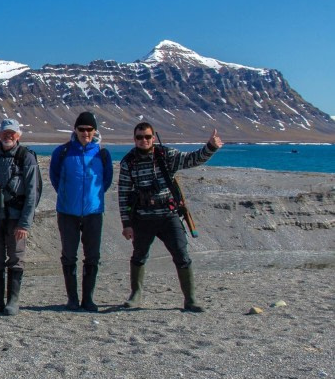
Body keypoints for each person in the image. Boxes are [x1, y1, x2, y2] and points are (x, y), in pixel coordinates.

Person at [119, 123, 223, 312]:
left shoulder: (166, 155)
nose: (144, 140)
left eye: (148, 137)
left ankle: (190, 299)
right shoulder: (128, 162)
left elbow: (193, 159)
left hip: (168, 216)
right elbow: (123, 193)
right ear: (134, 139)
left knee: (181, 255)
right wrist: (126, 223)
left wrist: (211, 147)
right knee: (139, 256)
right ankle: (136, 294)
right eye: (140, 137)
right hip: (142, 218)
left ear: (153, 137)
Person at [50, 112, 113, 312]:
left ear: (95, 131)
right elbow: (55, 177)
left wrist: (93, 197)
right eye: (81, 129)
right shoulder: (62, 152)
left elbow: (106, 181)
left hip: (93, 212)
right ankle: (72, 299)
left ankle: (88, 299)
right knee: (69, 255)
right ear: (75, 130)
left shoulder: (102, 154)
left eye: (89, 129)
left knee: (92, 255)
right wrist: (68, 195)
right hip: (67, 211)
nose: (85, 133)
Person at [0, 119, 41, 317]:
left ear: (18, 135)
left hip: (16, 218)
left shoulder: (26, 157)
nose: (8, 135)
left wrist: (25, 223)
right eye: (5, 132)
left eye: (12, 133)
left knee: (16, 259)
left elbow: (33, 192)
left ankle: (13, 300)